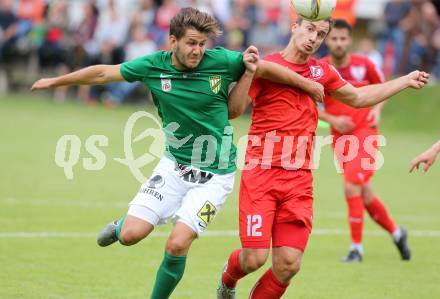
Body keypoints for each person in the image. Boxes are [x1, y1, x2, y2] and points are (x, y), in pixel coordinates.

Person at [31, 7, 324, 299]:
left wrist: (307, 84)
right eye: (191, 43)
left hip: (215, 178)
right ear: (173, 41)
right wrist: (55, 82)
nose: (197, 51)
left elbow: (263, 67)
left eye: (201, 44)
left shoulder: (220, 60)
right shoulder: (154, 66)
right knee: (132, 235)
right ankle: (121, 226)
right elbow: (103, 73)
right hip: (173, 167)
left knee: (177, 243)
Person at [217, 17, 429, 299]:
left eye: (321, 34)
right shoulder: (266, 65)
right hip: (262, 172)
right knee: (254, 258)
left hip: (299, 179)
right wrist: (248, 74)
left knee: (288, 265)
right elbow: (235, 109)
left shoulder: (322, 71)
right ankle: (228, 280)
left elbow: (358, 96)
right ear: (294, 27)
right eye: (309, 29)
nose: (314, 38)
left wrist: (404, 80)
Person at [318, 19, 410, 262]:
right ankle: (397, 233)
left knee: (351, 187)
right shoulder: (321, 69)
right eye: (334, 38)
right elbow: (308, 105)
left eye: (342, 38)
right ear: (327, 40)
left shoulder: (364, 65)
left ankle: (356, 249)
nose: (338, 43)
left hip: (365, 133)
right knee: (364, 193)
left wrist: (377, 110)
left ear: (350, 40)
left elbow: (384, 88)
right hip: (339, 138)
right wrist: (332, 120)